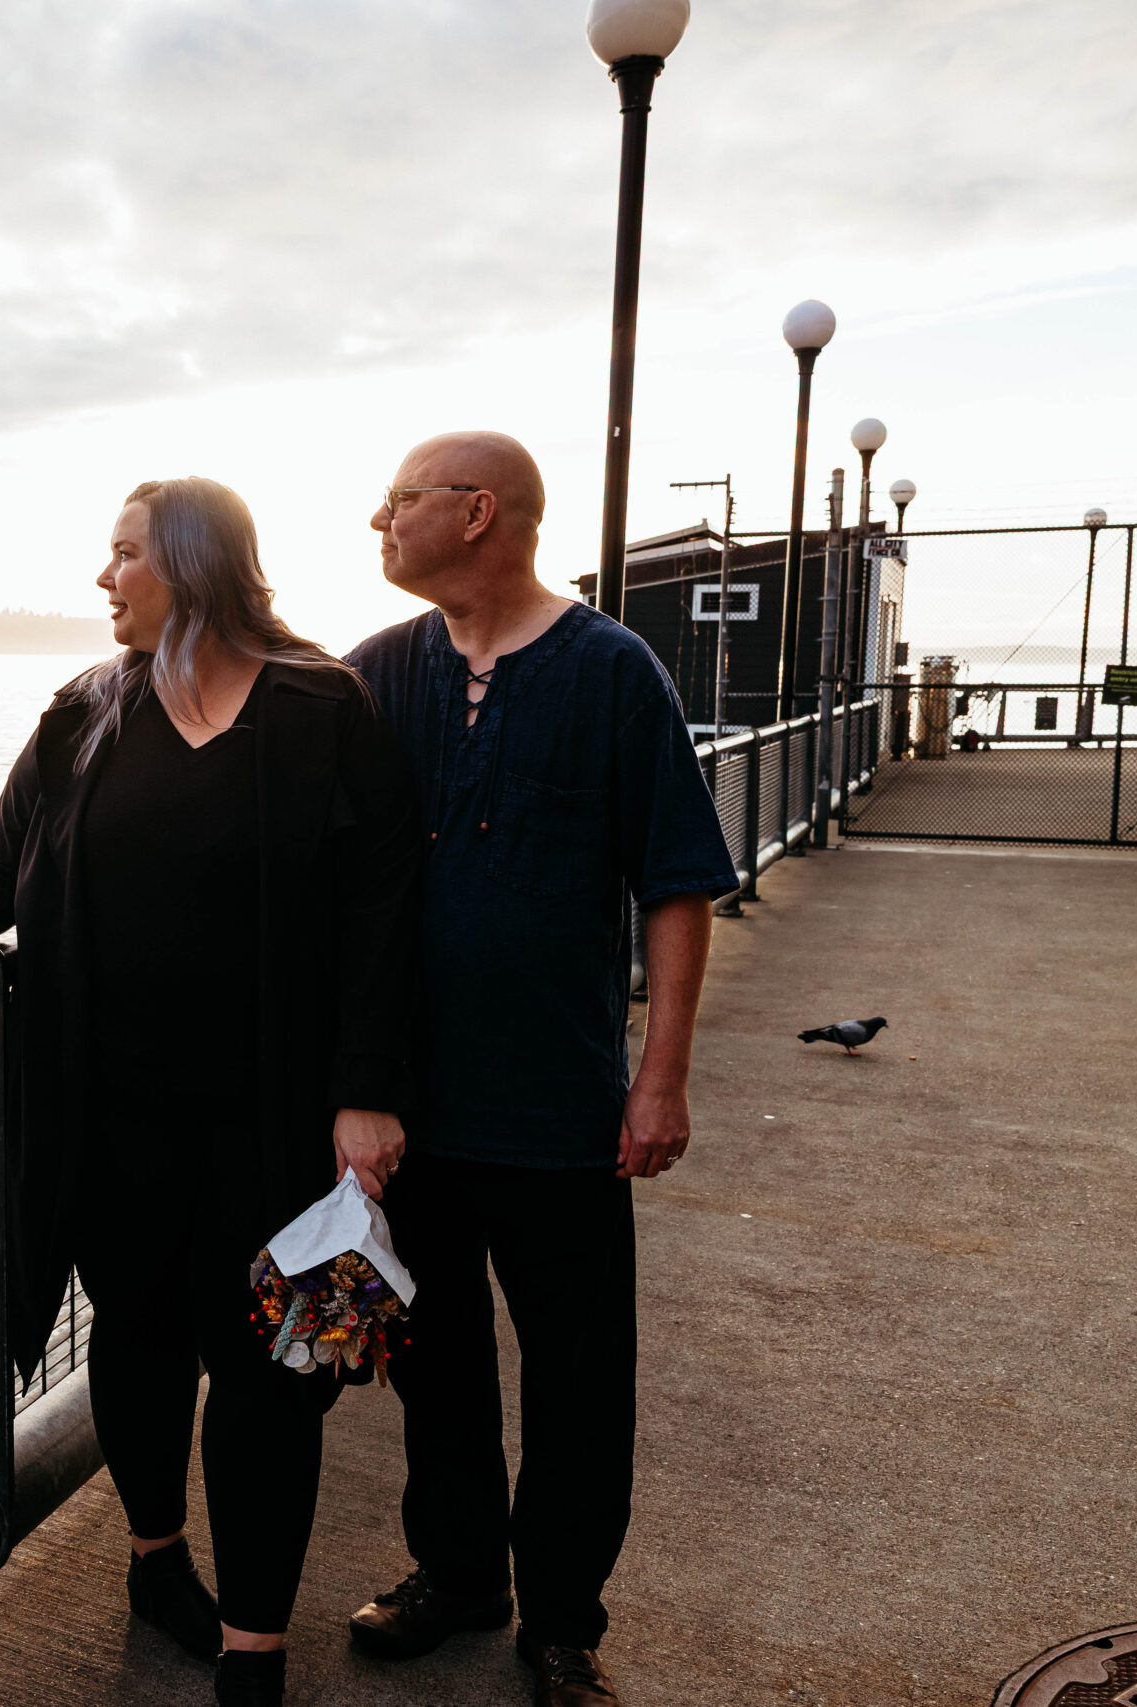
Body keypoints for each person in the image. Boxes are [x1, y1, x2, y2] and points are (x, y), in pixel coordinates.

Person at [0, 477, 421, 1707]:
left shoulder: (321, 707)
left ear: (195, 565)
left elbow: (383, 911)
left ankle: (255, 1649)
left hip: (279, 1117)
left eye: (122, 555)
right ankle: (156, 1562)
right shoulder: (84, 712)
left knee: (280, 1371)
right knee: (140, 1341)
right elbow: (2, 859)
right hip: (110, 1116)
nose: (102, 579)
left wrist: (366, 1094)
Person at [342, 433, 738, 1707]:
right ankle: (459, 1575)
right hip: (412, 1112)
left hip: (562, 1108)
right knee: (435, 1364)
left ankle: (561, 1621)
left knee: (579, 1381)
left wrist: (660, 1077)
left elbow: (677, 882)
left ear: (476, 510)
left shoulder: (613, 674)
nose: (377, 521)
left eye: (398, 501)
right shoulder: (374, 676)